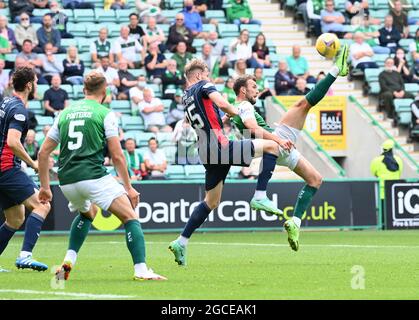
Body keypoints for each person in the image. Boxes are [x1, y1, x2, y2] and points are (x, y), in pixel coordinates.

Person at [37, 70, 166, 281]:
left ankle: (68, 262)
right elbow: (117, 155)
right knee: (130, 217)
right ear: (105, 91)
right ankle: (141, 270)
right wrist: (129, 187)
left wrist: (44, 187)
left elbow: (43, 152)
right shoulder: (105, 113)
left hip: (67, 181)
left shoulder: (64, 113)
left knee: (88, 213)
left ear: (84, 90)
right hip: (92, 175)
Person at [168, 59, 293, 266]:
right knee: (272, 146)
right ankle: (260, 196)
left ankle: (181, 241)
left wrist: (224, 118)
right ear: (199, 76)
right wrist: (238, 111)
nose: (208, 78)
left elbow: (206, 117)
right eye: (206, 74)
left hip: (206, 151)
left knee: (211, 202)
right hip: (220, 147)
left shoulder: (186, 96)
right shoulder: (204, 85)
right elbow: (223, 103)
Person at [230, 44, 349, 252]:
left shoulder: (235, 107)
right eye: (253, 86)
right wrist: (277, 140)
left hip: (277, 146)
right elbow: (252, 127)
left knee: (315, 180)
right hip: (278, 140)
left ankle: (295, 222)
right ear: (243, 90)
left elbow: (231, 116)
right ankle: (337, 69)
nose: (257, 89)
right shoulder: (245, 105)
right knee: (303, 104)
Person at [0, 67, 51, 272]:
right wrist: (33, 163)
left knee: (15, 218)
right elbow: (13, 141)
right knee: (42, 205)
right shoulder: (20, 110)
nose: (37, 84)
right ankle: (25, 256)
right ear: (29, 85)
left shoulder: (4, 101)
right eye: (36, 81)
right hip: (7, 168)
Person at [370, 139, 403, 208]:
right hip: (395, 192)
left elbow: (374, 173)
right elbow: (399, 173)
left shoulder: (376, 160)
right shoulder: (399, 160)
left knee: (382, 214)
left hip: (382, 193)